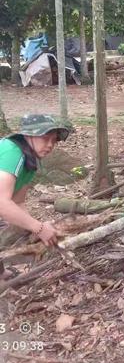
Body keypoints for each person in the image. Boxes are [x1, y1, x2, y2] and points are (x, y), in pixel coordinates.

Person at [0, 114, 71, 278]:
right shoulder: (13, 152)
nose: (50, 145)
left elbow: (18, 202)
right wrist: (38, 228)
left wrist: (36, 228)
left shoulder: (30, 161)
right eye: (45, 138)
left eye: (54, 140)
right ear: (27, 136)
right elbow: (2, 203)